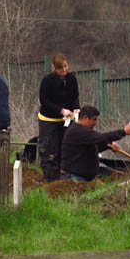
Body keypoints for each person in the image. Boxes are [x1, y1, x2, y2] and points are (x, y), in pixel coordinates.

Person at [60, 105, 130, 181]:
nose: (96, 123)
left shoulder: (82, 131)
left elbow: (93, 148)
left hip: (82, 177)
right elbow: (101, 137)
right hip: (73, 177)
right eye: (94, 119)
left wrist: (108, 146)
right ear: (85, 118)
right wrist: (123, 132)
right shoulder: (77, 131)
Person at [37, 53, 80, 182]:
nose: (64, 70)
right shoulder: (47, 81)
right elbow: (44, 101)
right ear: (54, 68)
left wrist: (76, 108)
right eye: (61, 68)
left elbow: (75, 96)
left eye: (66, 66)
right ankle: (50, 179)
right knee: (50, 151)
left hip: (66, 121)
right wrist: (61, 111)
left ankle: (65, 178)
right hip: (49, 121)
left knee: (66, 149)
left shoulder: (72, 79)